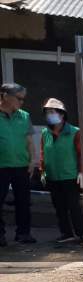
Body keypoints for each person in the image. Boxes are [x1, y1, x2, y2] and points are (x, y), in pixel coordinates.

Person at [39, 98, 83, 244]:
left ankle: (82, 234)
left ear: (62, 114)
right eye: (47, 113)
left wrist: (81, 172)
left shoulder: (75, 132)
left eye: (52, 112)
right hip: (52, 176)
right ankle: (66, 233)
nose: (49, 115)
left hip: (70, 176)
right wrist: (42, 171)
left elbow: (81, 154)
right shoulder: (45, 132)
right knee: (59, 207)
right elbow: (43, 153)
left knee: (74, 207)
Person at [0, 83, 36, 246]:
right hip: (1, 166)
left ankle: (23, 233)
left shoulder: (24, 116)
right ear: (5, 96)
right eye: (19, 98)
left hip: (21, 165)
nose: (22, 102)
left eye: (23, 99)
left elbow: (29, 141)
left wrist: (32, 160)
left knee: (23, 201)